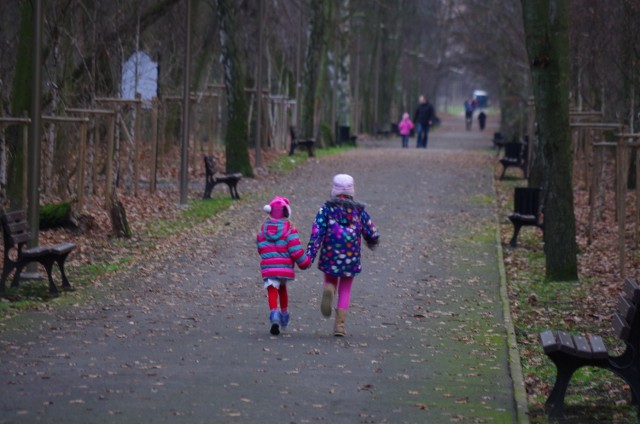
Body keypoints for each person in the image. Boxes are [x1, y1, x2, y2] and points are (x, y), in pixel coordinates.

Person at [306, 174, 380, 336]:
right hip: (351, 257)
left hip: (330, 255)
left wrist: (310, 254)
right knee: (346, 289)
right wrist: (372, 240)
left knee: (331, 279)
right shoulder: (358, 211)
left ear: (334, 190)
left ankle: (330, 289)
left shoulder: (326, 209)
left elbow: (317, 232)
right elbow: (371, 230)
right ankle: (339, 325)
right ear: (352, 191)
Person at [257, 196, 311, 335]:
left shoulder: (263, 229)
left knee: (271, 289)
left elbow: (260, 247)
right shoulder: (289, 229)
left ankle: (274, 313)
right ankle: (284, 314)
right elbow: (296, 250)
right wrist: (305, 262)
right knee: (282, 288)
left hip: (268, 267)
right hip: (284, 267)